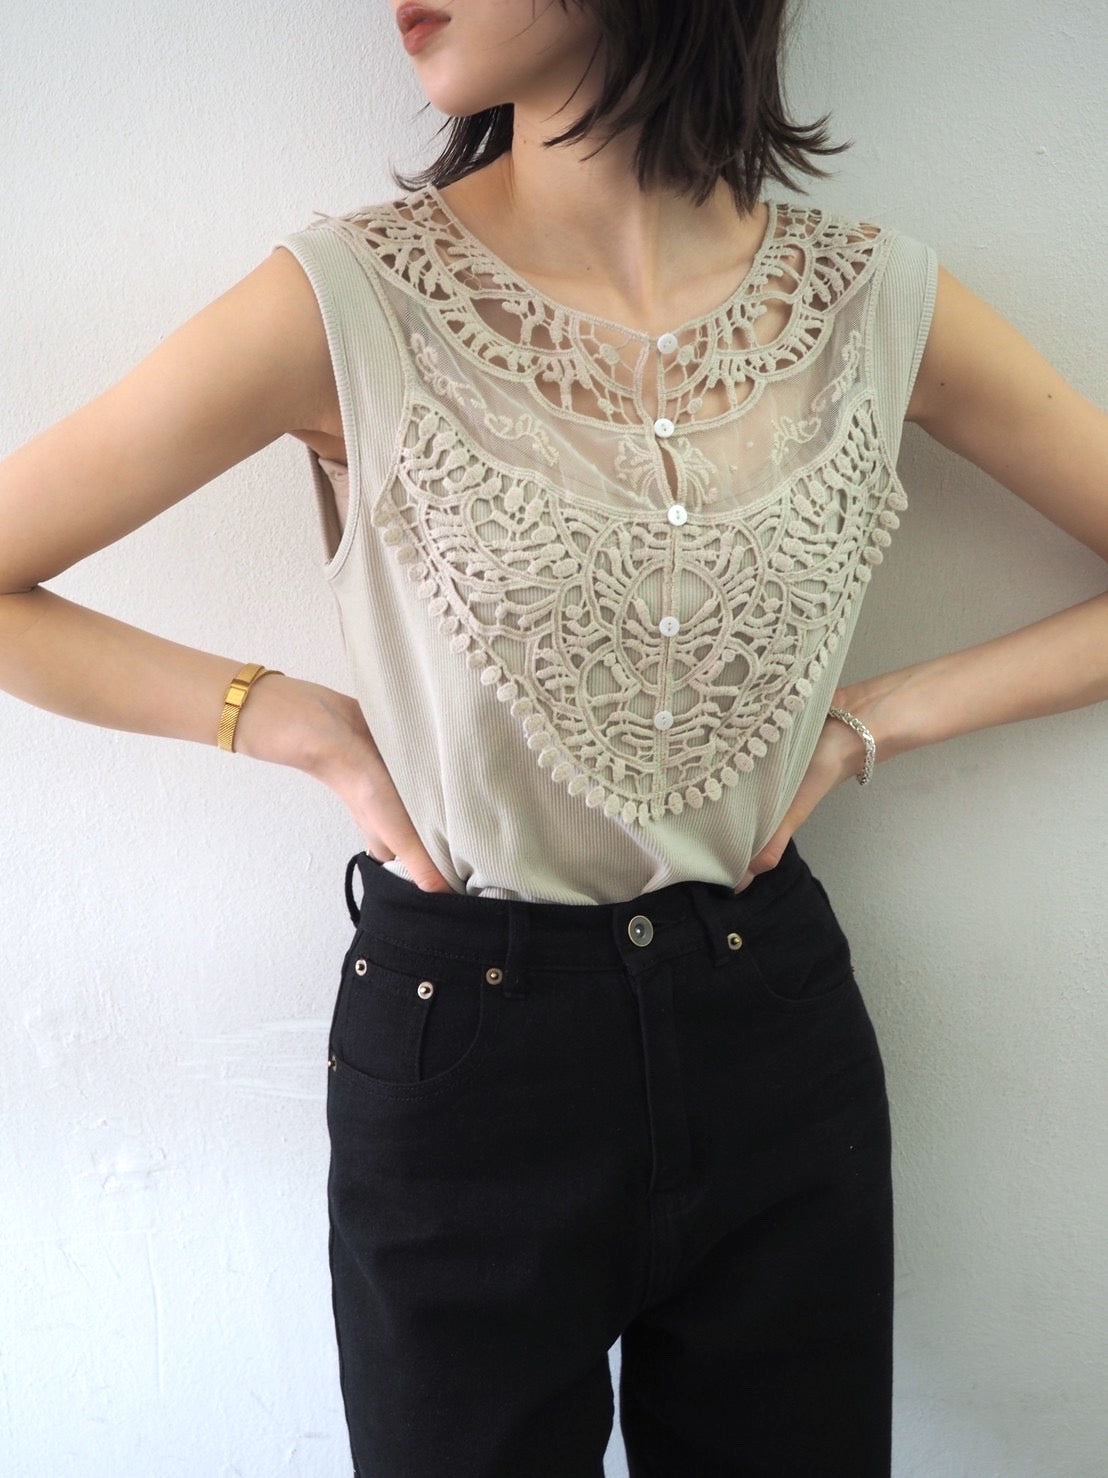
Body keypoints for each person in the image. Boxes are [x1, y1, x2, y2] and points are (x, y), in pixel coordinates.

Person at [1, 2, 1105, 1474]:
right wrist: (289, 721)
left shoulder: (869, 302)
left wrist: (874, 720)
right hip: (466, 1046)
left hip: (771, 1026)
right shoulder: (352, 302)